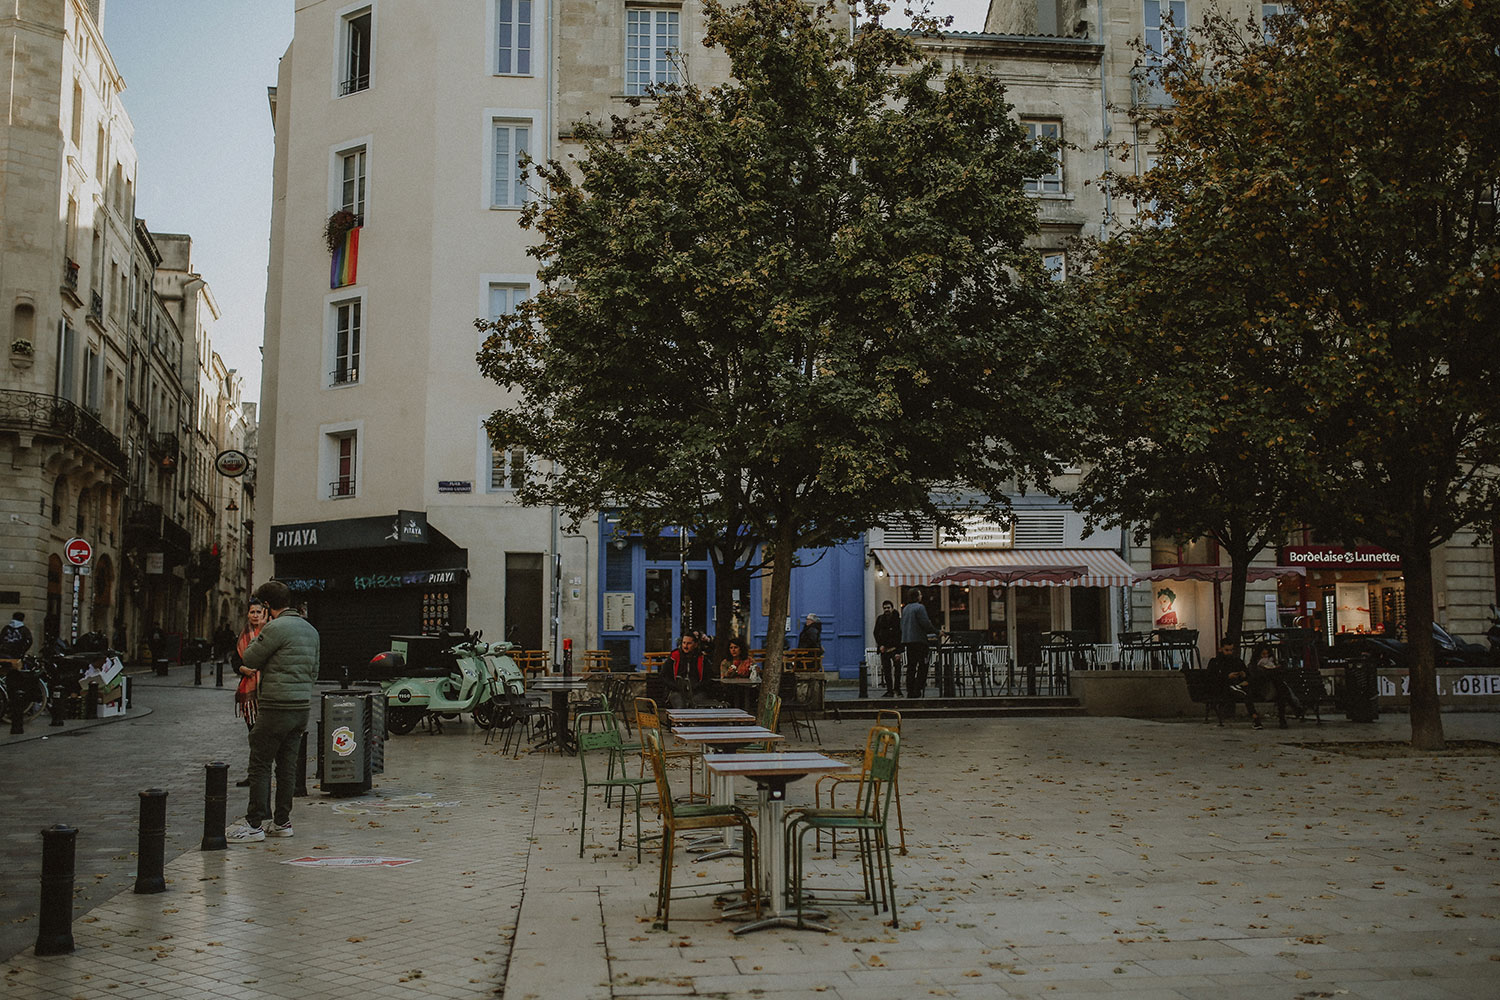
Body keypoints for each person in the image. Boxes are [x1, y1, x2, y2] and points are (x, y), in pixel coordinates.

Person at [226, 581, 320, 843]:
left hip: (276, 705)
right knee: (287, 766)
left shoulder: (275, 628)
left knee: (260, 761)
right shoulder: (310, 630)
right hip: (301, 706)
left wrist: (265, 628)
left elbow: (250, 659)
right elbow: (315, 671)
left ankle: (255, 823)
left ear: (266, 606)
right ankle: (282, 822)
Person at [230, 600, 269, 786]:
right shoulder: (243, 635)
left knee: (267, 736)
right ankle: (254, 774)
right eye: (252, 611)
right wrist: (243, 669)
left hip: (267, 692)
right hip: (250, 695)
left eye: (258, 612)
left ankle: (263, 773)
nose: (255, 615)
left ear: (264, 614)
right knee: (253, 735)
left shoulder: (270, 632)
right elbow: (235, 661)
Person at [1206, 638, 1262, 729]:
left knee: (1246, 691)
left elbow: (1247, 674)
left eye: (1231, 650)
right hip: (1224, 688)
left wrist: (1243, 676)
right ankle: (1255, 717)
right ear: (1221, 649)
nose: (1229, 653)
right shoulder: (1215, 662)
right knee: (1244, 693)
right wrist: (1227, 677)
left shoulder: (1237, 661)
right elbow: (1211, 678)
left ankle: (1255, 717)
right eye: (1227, 650)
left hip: (1238, 685)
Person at [658, 632, 712, 708]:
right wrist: (675, 686)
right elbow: (664, 676)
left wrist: (697, 686)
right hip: (676, 691)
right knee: (680, 706)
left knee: (698, 707)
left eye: (689, 643)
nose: (685, 646)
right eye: (684, 643)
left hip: (696, 691)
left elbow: (708, 678)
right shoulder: (674, 657)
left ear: (695, 644)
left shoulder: (703, 659)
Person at [900, 589, 936, 698]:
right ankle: (917, 688)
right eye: (920, 594)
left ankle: (910, 689)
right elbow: (925, 623)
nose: (922, 596)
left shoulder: (905, 608)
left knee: (911, 666)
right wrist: (936, 631)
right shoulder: (920, 608)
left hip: (908, 641)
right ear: (917, 597)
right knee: (923, 665)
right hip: (919, 640)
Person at [873, 600, 903, 697]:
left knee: (897, 671)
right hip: (884, 649)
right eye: (885, 608)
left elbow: (900, 636)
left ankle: (897, 689)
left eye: (888, 608)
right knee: (887, 671)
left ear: (892, 608)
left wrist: (899, 651)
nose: (886, 610)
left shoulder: (897, 620)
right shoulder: (880, 619)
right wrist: (880, 644)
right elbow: (876, 633)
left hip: (895, 648)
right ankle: (889, 690)